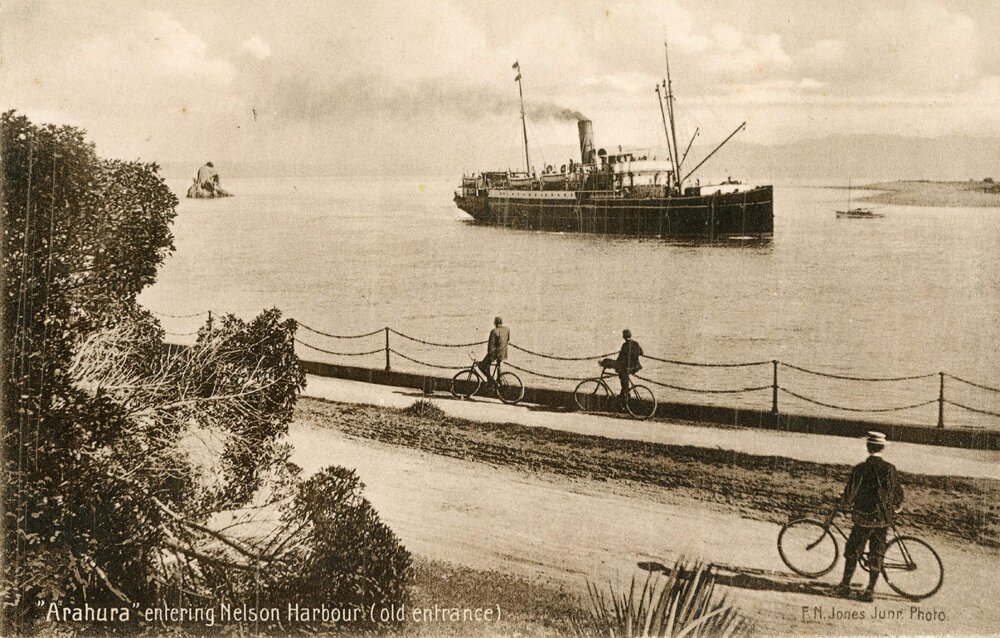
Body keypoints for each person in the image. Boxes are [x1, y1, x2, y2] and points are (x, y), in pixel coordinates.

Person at [828, 431, 904, 602]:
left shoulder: (861, 468)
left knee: (852, 550)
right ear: (882, 448)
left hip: (864, 517)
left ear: (868, 447)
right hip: (883, 518)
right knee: (877, 552)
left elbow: (850, 491)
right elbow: (898, 492)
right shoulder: (890, 468)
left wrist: (843, 504)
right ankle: (869, 591)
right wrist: (896, 507)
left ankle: (845, 586)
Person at [478, 316, 509, 388]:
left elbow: (491, 345)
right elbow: (508, 340)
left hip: (495, 353)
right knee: (494, 366)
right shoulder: (507, 329)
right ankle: (498, 380)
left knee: (481, 367)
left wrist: (489, 356)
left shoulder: (494, 331)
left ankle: (491, 381)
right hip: (503, 353)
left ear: (495, 323)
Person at [614, 329, 643, 405]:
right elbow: (641, 352)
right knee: (625, 382)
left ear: (624, 336)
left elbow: (620, 358)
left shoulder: (625, 345)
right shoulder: (636, 343)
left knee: (623, 380)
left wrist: (615, 365)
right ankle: (624, 395)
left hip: (627, 368)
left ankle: (625, 398)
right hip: (635, 367)